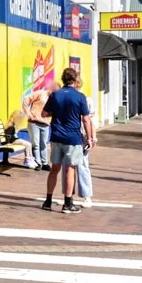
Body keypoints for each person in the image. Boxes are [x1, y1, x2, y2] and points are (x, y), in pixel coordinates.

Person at [42, 67, 96, 214]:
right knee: (70, 169)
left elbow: (44, 113)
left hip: (56, 137)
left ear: (63, 79)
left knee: (54, 169)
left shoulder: (55, 95)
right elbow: (86, 119)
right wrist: (90, 138)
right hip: (72, 138)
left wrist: (58, 111)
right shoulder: (80, 97)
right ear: (75, 79)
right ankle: (68, 204)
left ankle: (48, 201)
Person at [22, 86, 51, 170]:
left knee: (44, 144)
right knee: (36, 144)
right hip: (34, 122)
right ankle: (37, 163)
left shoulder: (54, 99)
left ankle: (44, 162)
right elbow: (26, 100)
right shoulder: (40, 93)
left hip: (45, 123)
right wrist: (29, 114)